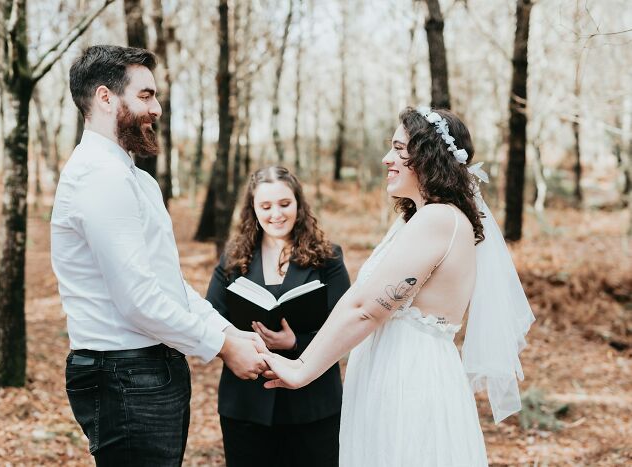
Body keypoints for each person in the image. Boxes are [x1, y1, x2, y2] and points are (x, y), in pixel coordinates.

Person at [262, 107, 535, 466]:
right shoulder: (424, 219)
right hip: (393, 371)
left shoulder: (438, 219)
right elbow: (356, 300)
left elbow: (367, 310)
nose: (386, 158)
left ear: (426, 155)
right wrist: (302, 361)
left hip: (411, 378)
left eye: (398, 148)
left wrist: (302, 371)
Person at [51, 45, 267, 467]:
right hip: (123, 374)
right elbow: (138, 301)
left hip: (147, 369)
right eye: (146, 95)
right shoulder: (100, 177)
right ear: (105, 98)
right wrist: (224, 347)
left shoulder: (133, 178)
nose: (158, 108)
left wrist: (228, 330)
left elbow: (165, 282)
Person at [205, 166, 351, 467]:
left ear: (299, 203)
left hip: (313, 404)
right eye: (266, 206)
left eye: (285, 204)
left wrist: (295, 341)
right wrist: (241, 343)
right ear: (253, 209)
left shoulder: (329, 258)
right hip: (246, 403)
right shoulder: (233, 257)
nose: (276, 214)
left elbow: (345, 327)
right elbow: (211, 317)